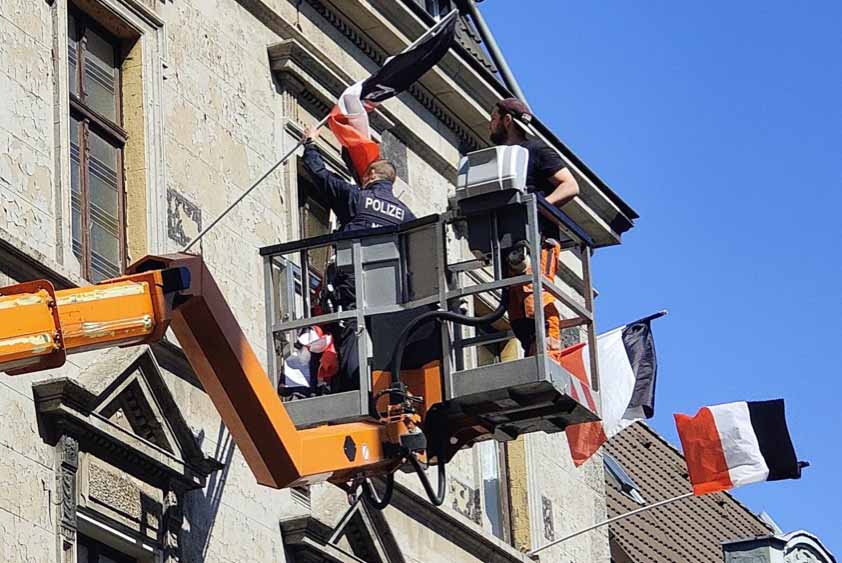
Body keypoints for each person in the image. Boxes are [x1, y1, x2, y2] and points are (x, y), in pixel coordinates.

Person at [300, 124, 416, 392]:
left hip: (354, 283)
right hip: (390, 292)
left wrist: (310, 145)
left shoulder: (357, 199)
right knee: (379, 334)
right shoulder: (406, 215)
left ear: (372, 176)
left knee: (355, 327)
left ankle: (354, 386)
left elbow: (322, 178)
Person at [488, 98, 580, 356]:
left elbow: (570, 186)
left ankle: (550, 356)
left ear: (507, 120)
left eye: (494, 118)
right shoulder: (501, 159)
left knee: (534, 294)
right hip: (510, 242)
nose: (490, 123)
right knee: (516, 308)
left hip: (538, 240)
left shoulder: (536, 150)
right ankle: (532, 352)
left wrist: (535, 208)